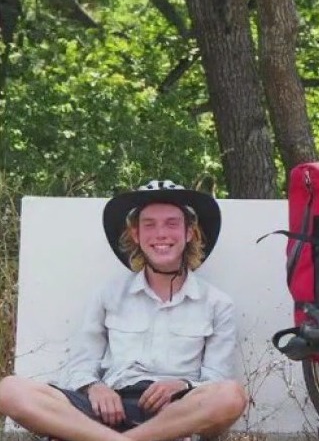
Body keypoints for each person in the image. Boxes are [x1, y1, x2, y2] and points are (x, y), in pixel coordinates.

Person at [0, 180, 248, 441]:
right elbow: (81, 364)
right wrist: (94, 387)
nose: (161, 234)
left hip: (172, 414)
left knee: (231, 395)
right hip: (106, 409)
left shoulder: (217, 303)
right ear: (136, 235)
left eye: (171, 223)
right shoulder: (108, 295)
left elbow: (217, 378)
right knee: (9, 389)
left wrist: (182, 385)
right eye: (149, 225)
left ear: (189, 233)